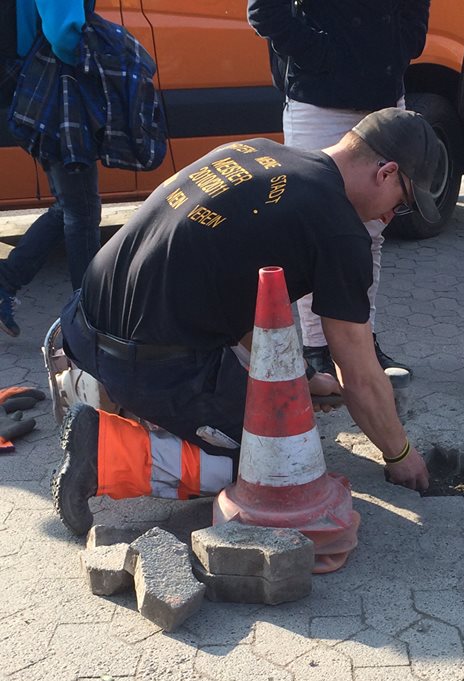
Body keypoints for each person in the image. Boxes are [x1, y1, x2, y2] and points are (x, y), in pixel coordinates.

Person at [52, 108, 441, 536]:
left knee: (255, 406)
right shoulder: (340, 231)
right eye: (401, 204)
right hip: (143, 357)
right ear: (386, 173)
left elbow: (235, 300)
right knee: (276, 463)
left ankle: (102, 389)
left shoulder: (258, 152)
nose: (388, 218)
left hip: (80, 324)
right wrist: (400, 454)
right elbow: (360, 374)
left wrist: (301, 379)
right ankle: (104, 451)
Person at [247, 0, 431, 378]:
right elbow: (264, 11)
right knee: (310, 230)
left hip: (382, 93)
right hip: (318, 98)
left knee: (370, 234)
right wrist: (322, 54)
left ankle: (361, 344)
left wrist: (403, 44)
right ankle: (317, 348)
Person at [0, 0, 101, 338]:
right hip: (55, 86)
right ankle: (88, 319)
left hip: (32, 85)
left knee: (71, 203)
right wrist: (92, 63)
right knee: (81, 211)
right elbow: (64, 33)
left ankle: (6, 282)